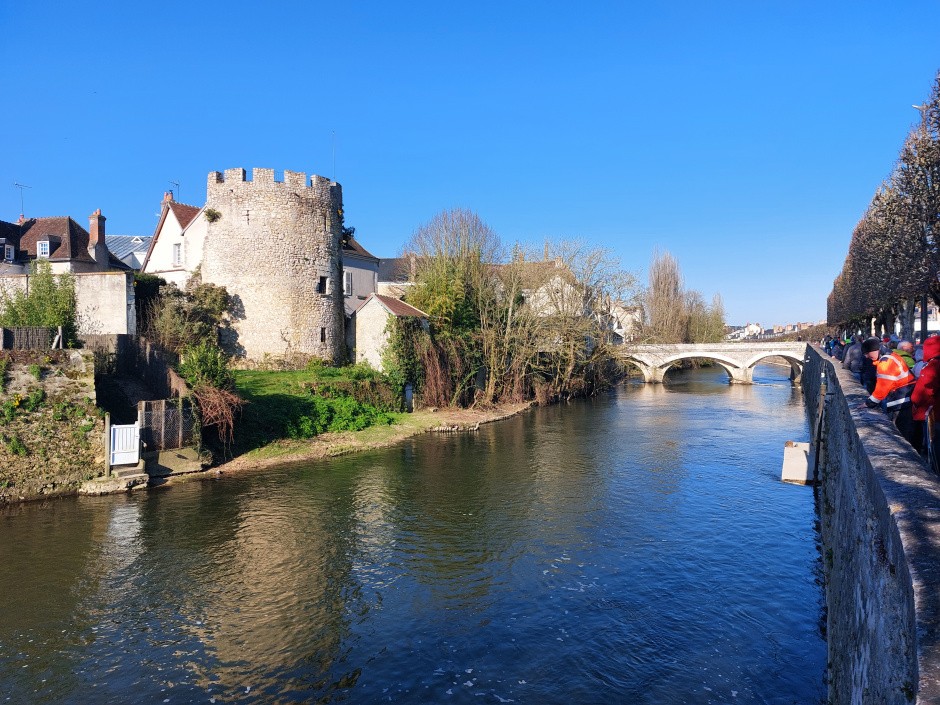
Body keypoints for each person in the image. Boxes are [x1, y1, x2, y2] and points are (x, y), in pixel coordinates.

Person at [866, 340, 917, 446]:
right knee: (907, 435)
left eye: (867, 353)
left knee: (902, 437)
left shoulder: (886, 362)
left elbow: (883, 386)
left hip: (901, 401)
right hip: (905, 398)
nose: (866, 356)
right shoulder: (890, 356)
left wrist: (869, 403)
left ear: (875, 351)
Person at [912, 335, 940, 462]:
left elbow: (920, 393)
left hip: (933, 412)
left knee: (933, 446)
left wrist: (915, 401)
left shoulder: (932, 366)